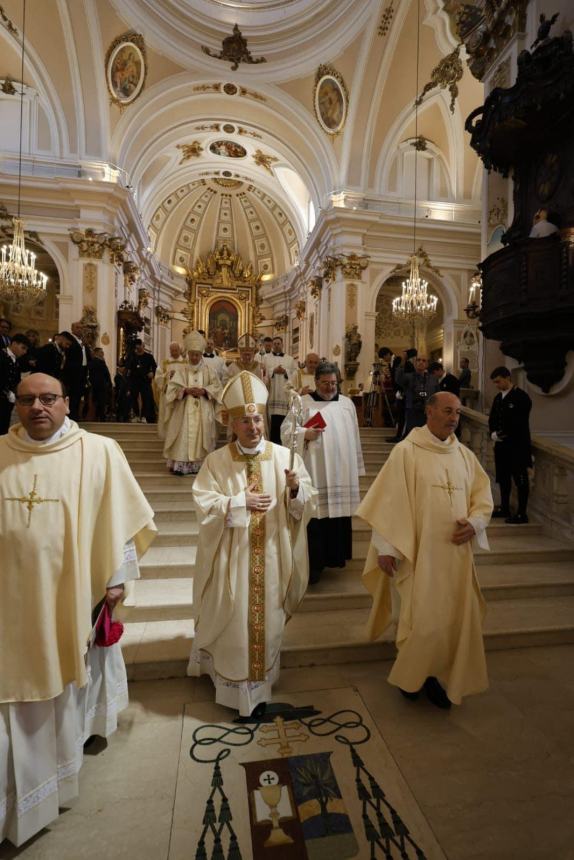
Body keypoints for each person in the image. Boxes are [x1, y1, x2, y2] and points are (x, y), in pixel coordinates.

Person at [0, 373, 156, 847]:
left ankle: (54, 785)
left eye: (48, 399)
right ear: (16, 406)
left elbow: (123, 520)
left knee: (59, 681)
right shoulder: (1, 452)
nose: (37, 408)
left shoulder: (99, 450)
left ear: (68, 403)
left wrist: (116, 578)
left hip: (68, 596)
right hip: (10, 598)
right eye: (27, 400)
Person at [187, 370, 315, 716]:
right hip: (232, 558)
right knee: (234, 624)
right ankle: (235, 691)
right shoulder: (217, 461)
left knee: (267, 623)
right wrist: (237, 502)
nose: (253, 426)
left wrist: (294, 489)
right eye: (245, 421)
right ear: (232, 424)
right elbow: (203, 503)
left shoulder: (284, 457)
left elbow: (307, 503)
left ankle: (259, 688)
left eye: (257, 419)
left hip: (273, 555)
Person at [357, 392, 493, 709]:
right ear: (429, 412)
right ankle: (415, 676)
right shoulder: (406, 452)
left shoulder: (464, 456)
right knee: (423, 621)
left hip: (457, 558)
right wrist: (387, 548)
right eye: (447, 411)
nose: (454, 418)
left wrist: (475, 523)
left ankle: (436, 676)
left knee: (452, 622)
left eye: (458, 412)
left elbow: (483, 499)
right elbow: (389, 502)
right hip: (419, 554)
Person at [281, 361, 365, 584]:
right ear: (316, 382)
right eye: (326, 383)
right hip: (314, 470)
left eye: (334, 383)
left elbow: (355, 437)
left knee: (337, 519)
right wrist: (305, 434)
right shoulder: (303, 403)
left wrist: (357, 467)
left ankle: (333, 559)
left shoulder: (347, 404)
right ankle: (314, 566)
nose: (330, 387)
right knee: (315, 518)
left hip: (342, 471)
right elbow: (285, 432)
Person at [163, 330, 222, 475]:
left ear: (201, 355)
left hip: (204, 409)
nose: (194, 357)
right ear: (188, 354)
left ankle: (200, 465)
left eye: (197, 354)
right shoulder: (181, 370)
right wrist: (185, 391)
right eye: (192, 354)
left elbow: (218, 388)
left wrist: (204, 391)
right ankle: (180, 465)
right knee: (183, 435)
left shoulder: (210, 370)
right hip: (184, 411)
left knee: (202, 436)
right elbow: (171, 389)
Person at [488, 366, 532, 524]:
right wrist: (493, 433)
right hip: (501, 447)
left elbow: (519, 422)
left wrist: (502, 434)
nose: (497, 385)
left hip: (517, 447)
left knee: (520, 480)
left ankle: (522, 513)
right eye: (494, 383)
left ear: (507, 377)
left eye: (498, 381)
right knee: (503, 478)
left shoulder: (522, 397)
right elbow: (492, 418)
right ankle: (505, 507)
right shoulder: (498, 398)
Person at [261, 335, 297, 443]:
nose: (276, 346)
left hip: (285, 396)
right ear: (272, 345)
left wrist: (285, 371)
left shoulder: (290, 359)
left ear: (282, 345)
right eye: (275, 344)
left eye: (278, 344)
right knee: (273, 424)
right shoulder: (266, 358)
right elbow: (263, 374)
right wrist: (273, 371)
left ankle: (284, 443)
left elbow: (295, 373)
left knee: (284, 422)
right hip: (272, 395)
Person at [395, 354, 439, 439]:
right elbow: (398, 379)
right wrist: (403, 362)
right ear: (415, 363)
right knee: (412, 436)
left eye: (423, 360)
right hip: (412, 411)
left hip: (428, 412)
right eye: (418, 360)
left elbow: (437, 395)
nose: (420, 362)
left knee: (426, 437)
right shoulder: (408, 377)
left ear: (427, 364)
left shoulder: (433, 379)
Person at [154, 341, 185, 439]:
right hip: (167, 393)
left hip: (181, 395)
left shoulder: (185, 363)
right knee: (168, 415)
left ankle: (180, 436)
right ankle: (167, 435)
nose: (174, 352)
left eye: (176, 350)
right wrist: (167, 376)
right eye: (172, 350)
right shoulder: (165, 363)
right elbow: (158, 377)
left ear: (180, 350)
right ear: (170, 351)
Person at [0, 333, 30, 434]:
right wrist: (7, 392)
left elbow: (15, 379)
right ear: (14, 343)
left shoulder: (15, 360)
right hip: (2, 396)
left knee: (4, 423)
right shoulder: (2, 355)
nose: (24, 352)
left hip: (7, 400)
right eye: (23, 348)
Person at [125, 339, 157, 423]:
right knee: (133, 397)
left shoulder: (149, 357)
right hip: (134, 380)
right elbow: (127, 367)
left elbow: (154, 366)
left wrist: (152, 372)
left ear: (143, 346)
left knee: (146, 398)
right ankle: (135, 414)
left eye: (141, 345)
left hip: (145, 380)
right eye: (137, 345)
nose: (139, 347)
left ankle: (144, 416)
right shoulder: (132, 356)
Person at [61, 326, 89, 421]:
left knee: (78, 394)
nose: (81, 329)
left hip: (82, 372)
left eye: (81, 328)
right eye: (79, 328)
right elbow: (69, 353)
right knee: (72, 395)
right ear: (73, 329)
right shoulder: (71, 340)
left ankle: (75, 415)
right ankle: (71, 416)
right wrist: (81, 346)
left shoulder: (82, 342)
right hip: (72, 373)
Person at [88, 347, 113, 421]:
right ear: (96, 353)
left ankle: (100, 417)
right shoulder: (95, 362)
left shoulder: (100, 361)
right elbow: (102, 374)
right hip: (99, 385)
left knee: (102, 402)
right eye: (101, 352)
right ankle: (100, 418)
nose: (103, 354)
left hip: (102, 385)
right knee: (100, 402)